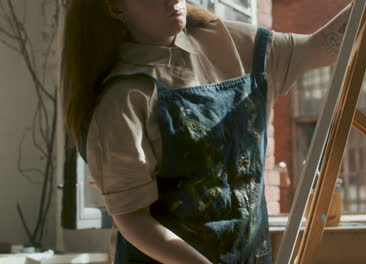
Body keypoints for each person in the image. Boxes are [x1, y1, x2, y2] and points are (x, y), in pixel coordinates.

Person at [60, 0, 351, 263]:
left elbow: (321, 47)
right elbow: (134, 220)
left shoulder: (226, 41)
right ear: (115, 8)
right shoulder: (122, 100)